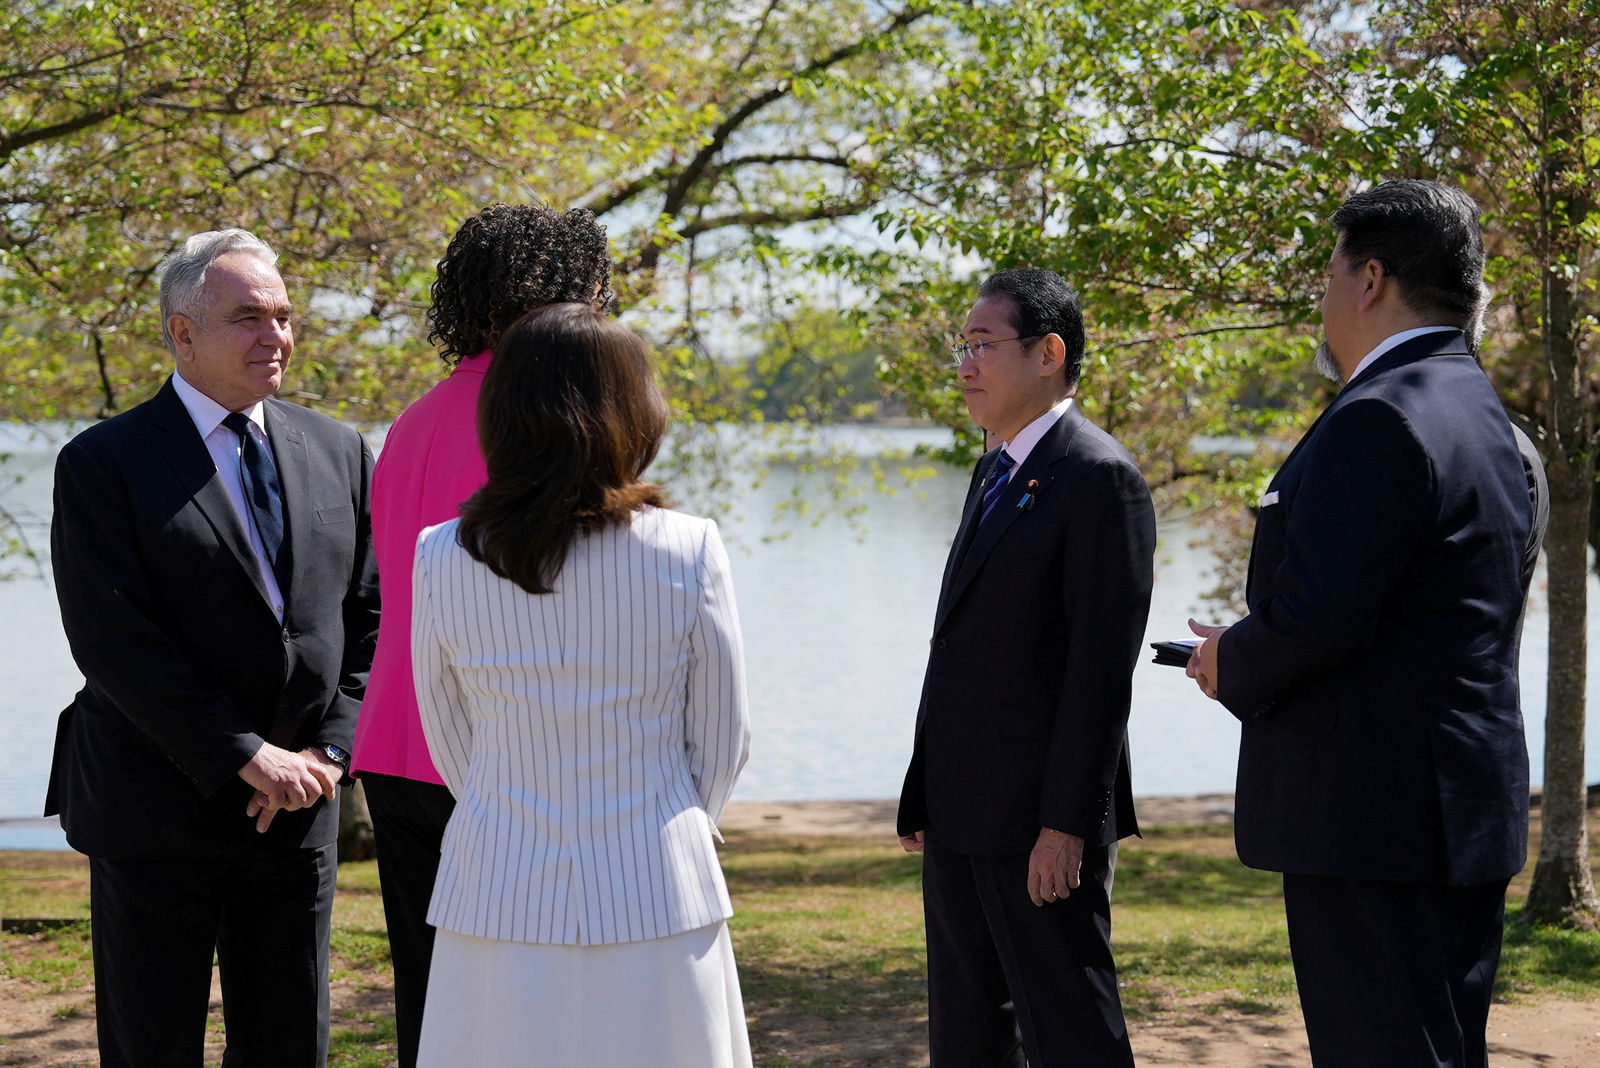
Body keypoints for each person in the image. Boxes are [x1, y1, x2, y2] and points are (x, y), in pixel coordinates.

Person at [1185, 179, 1545, 1067]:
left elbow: (1322, 617)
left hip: (1371, 816)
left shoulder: (1380, 416)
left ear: (1370, 278)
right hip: (1457, 805)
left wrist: (1233, 657)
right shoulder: (1491, 420)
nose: (1322, 292)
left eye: (1329, 269)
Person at [45, 228, 381, 1065]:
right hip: (156, 812)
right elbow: (113, 644)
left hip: (300, 810)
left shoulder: (338, 448)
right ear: (181, 331)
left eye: (283, 316)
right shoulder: (103, 462)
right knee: (152, 1046)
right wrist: (244, 754)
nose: (275, 335)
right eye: (248, 318)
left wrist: (329, 754)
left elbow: (373, 621)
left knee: (288, 1046)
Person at [409, 303, 753, 1065]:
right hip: (661, 886)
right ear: (634, 413)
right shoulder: (690, 548)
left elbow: (448, 736)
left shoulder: (439, 553)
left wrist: (508, 804)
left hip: (495, 886)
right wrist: (671, 816)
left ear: (503, 415)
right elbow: (724, 737)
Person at [352, 202, 614, 1066]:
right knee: (527, 1012)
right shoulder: (546, 427)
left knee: (432, 1007)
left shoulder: (410, 424)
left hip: (395, 744)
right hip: (499, 753)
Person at [897, 268, 1156, 1065]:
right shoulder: (993, 467)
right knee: (968, 1034)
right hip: (962, 810)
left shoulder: (1100, 477)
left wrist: (1065, 825)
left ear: (1048, 353)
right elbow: (962, 644)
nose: (966, 364)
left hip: (1041, 824)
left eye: (984, 345)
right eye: (962, 346)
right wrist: (923, 787)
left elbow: (1100, 675)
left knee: (1070, 1030)